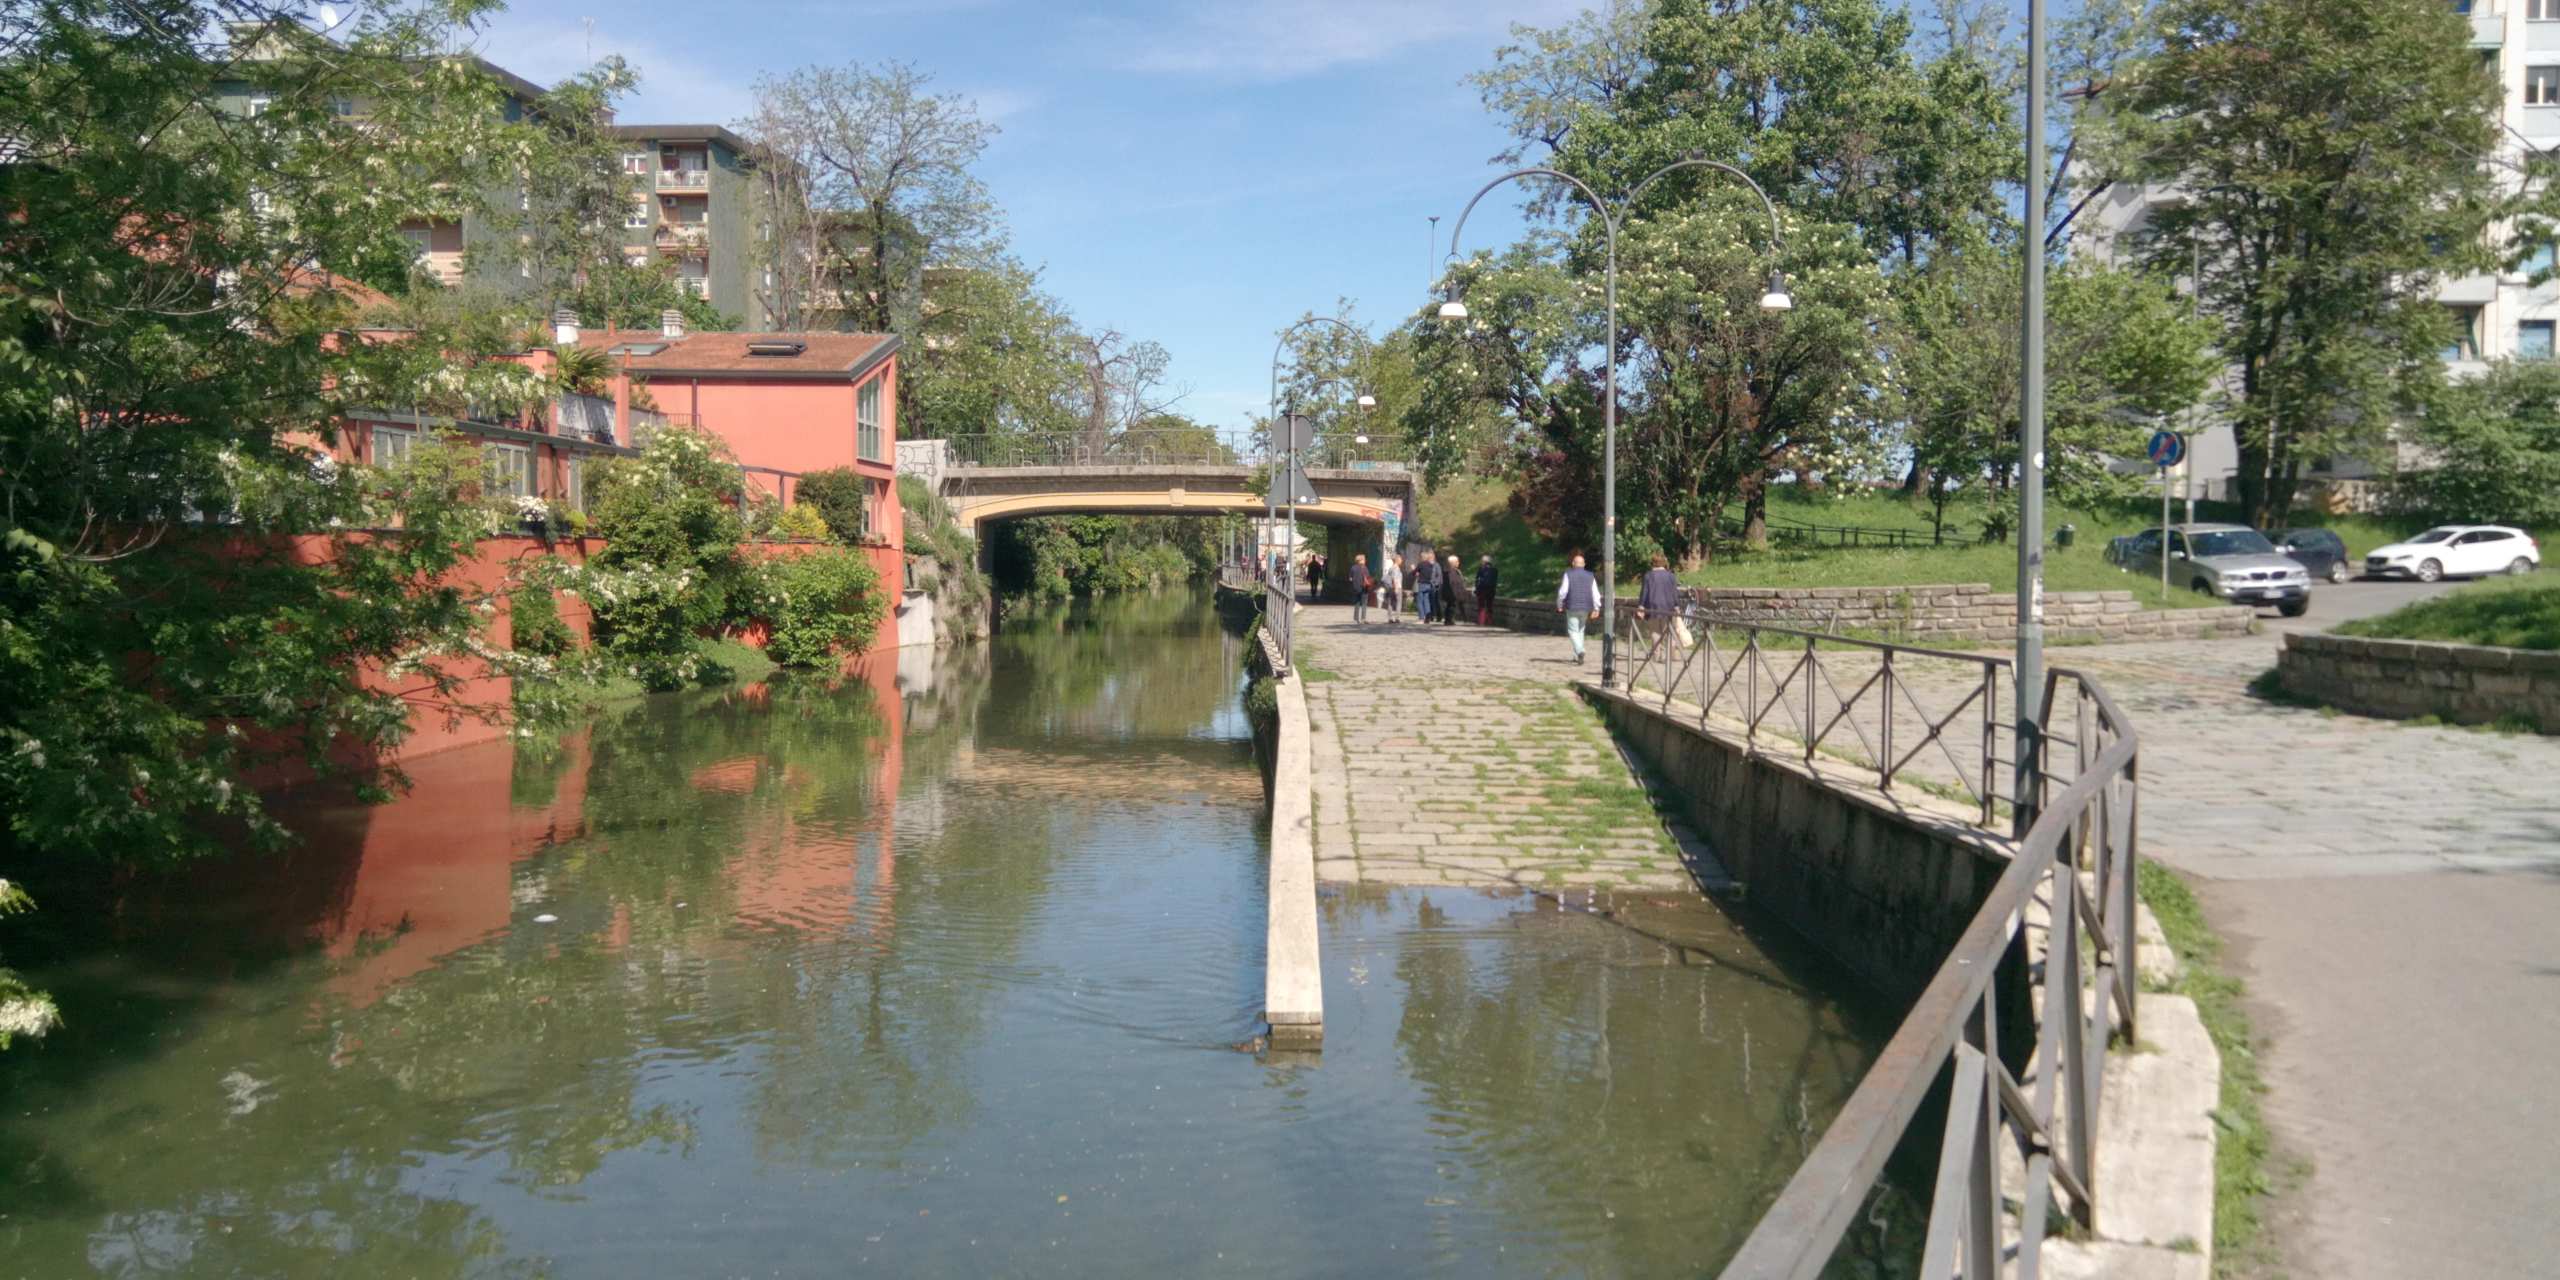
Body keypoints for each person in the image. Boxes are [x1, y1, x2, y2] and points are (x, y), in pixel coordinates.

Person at [1555, 552, 1601, 665]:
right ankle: (1577, 656)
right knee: (1580, 630)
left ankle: (1580, 651)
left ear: (1573, 564)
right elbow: (1596, 593)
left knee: (1572, 630)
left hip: (1572, 606)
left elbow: (1563, 592)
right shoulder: (1590, 575)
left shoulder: (1568, 574)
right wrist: (1597, 607)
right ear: (1584, 564)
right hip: (1586, 607)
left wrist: (1559, 605)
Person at [1635, 552, 1681, 654]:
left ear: (1653, 563)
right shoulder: (1671, 576)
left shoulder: (1648, 576)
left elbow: (1644, 592)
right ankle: (1670, 656)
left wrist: (1641, 606)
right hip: (1669, 607)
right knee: (1669, 632)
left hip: (1653, 606)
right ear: (1664, 563)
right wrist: (1677, 606)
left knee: (1655, 632)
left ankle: (1657, 655)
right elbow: (1674, 592)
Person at [1413, 551, 1441, 625]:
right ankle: (1428, 618)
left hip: (1422, 584)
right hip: (1428, 584)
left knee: (1420, 601)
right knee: (1427, 601)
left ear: (1422, 558)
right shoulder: (1431, 565)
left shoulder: (1421, 564)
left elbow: (1414, 572)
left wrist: (1414, 570)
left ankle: (1421, 618)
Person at [1347, 554, 1372, 624]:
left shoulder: (1353, 568)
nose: (1365, 560)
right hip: (1364, 588)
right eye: (1364, 559)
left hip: (1356, 588)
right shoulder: (1365, 568)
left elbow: (1350, 578)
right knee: (1364, 603)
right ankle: (1363, 619)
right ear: (1361, 560)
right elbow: (1368, 577)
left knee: (1357, 603)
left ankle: (1356, 619)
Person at [1380, 554, 1404, 624]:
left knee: (1391, 602)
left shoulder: (1391, 568)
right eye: (1401, 559)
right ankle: (1397, 618)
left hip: (1391, 588)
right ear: (1397, 560)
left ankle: (1390, 618)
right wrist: (1396, 588)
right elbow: (1394, 579)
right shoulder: (1396, 568)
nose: (1402, 560)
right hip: (1396, 587)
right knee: (1398, 603)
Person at [1475, 554, 1498, 626]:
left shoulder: (1481, 569)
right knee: (1489, 605)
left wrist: (1476, 588)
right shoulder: (1495, 570)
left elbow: (1477, 580)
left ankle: (1481, 621)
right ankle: (1490, 621)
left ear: (1484, 562)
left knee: (1481, 605)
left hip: (1482, 590)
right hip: (1491, 590)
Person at [1438, 554, 1462, 625]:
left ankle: (1448, 619)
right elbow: (1455, 583)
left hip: (1447, 592)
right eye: (1457, 561)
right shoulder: (1453, 572)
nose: (1458, 563)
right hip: (1452, 592)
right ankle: (1449, 619)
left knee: (1449, 606)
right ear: (1453, 563)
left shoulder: (1446, 571)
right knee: (1452, 606)